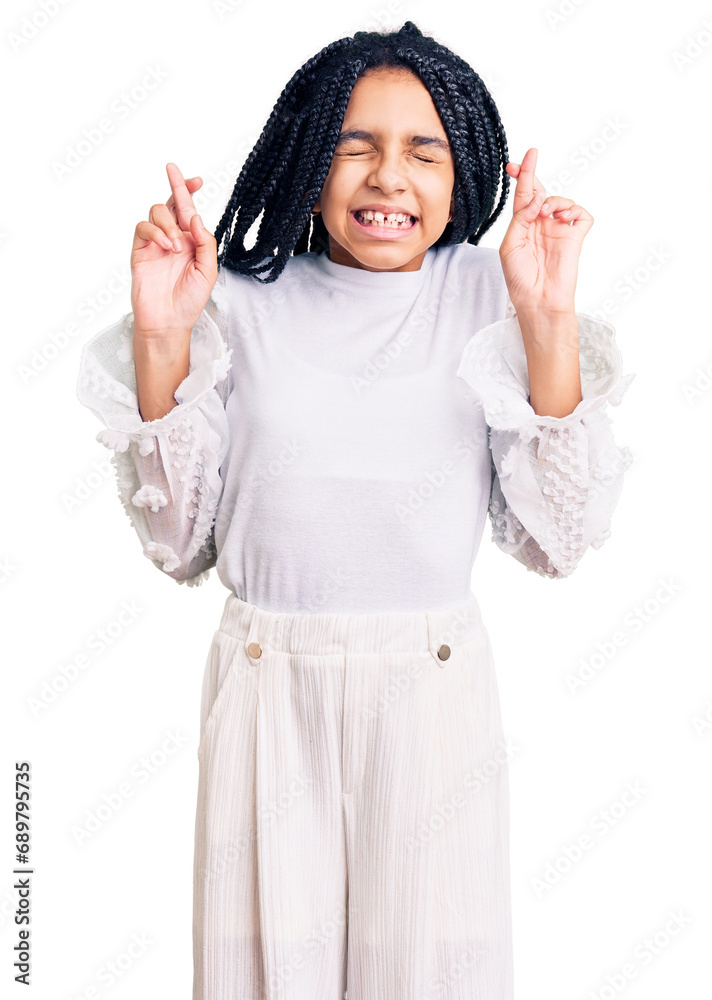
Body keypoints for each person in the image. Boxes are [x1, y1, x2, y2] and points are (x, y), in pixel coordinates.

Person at [76, 20, 635, 1000]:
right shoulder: (241, 303)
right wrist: (165, 336)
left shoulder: (485, 295)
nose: (388, 178)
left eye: (422, 151)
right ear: (306, 156)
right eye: (354, 145)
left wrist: (546, 321)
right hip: (267, 684)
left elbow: (557, 535)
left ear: (462, 170)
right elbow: (177, 544)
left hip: (431, 693)